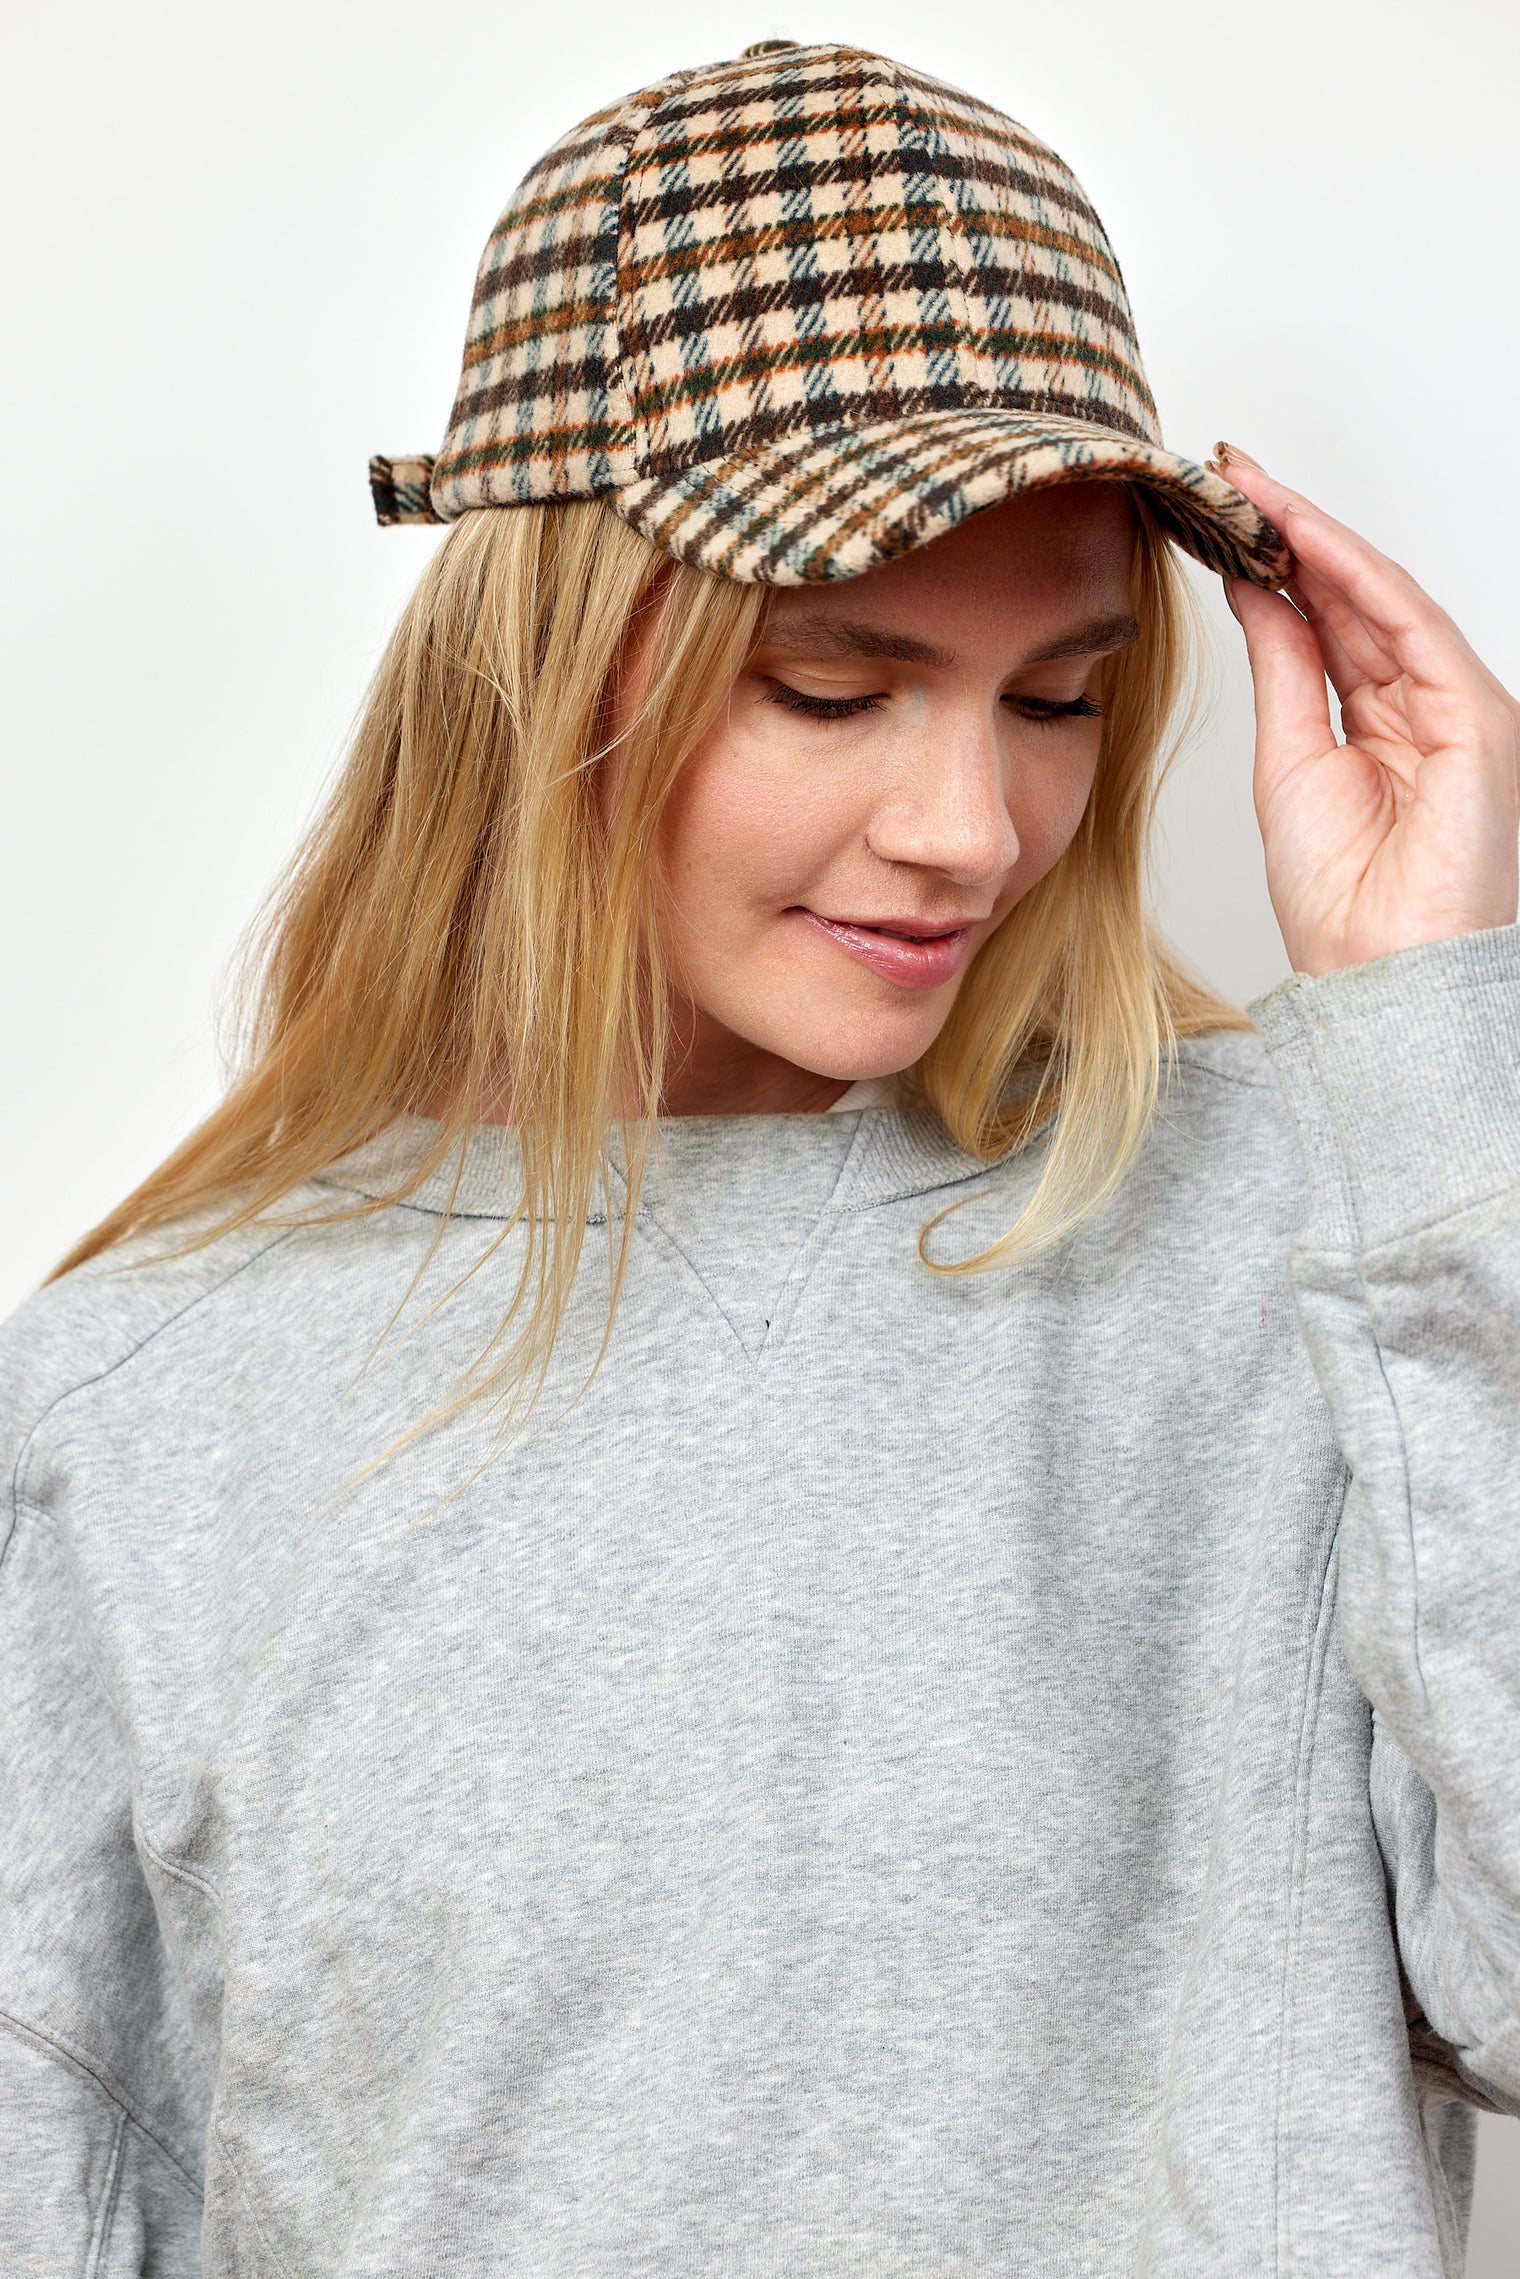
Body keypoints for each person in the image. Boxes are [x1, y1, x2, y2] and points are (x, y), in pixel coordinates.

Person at [2, 35, 1517, 2278]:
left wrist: (1432, 1049)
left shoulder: (1334, 1228)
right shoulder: (149, 1398)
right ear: (538, 665)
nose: (969, 831)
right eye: (829, 687)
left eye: (1058, 692)